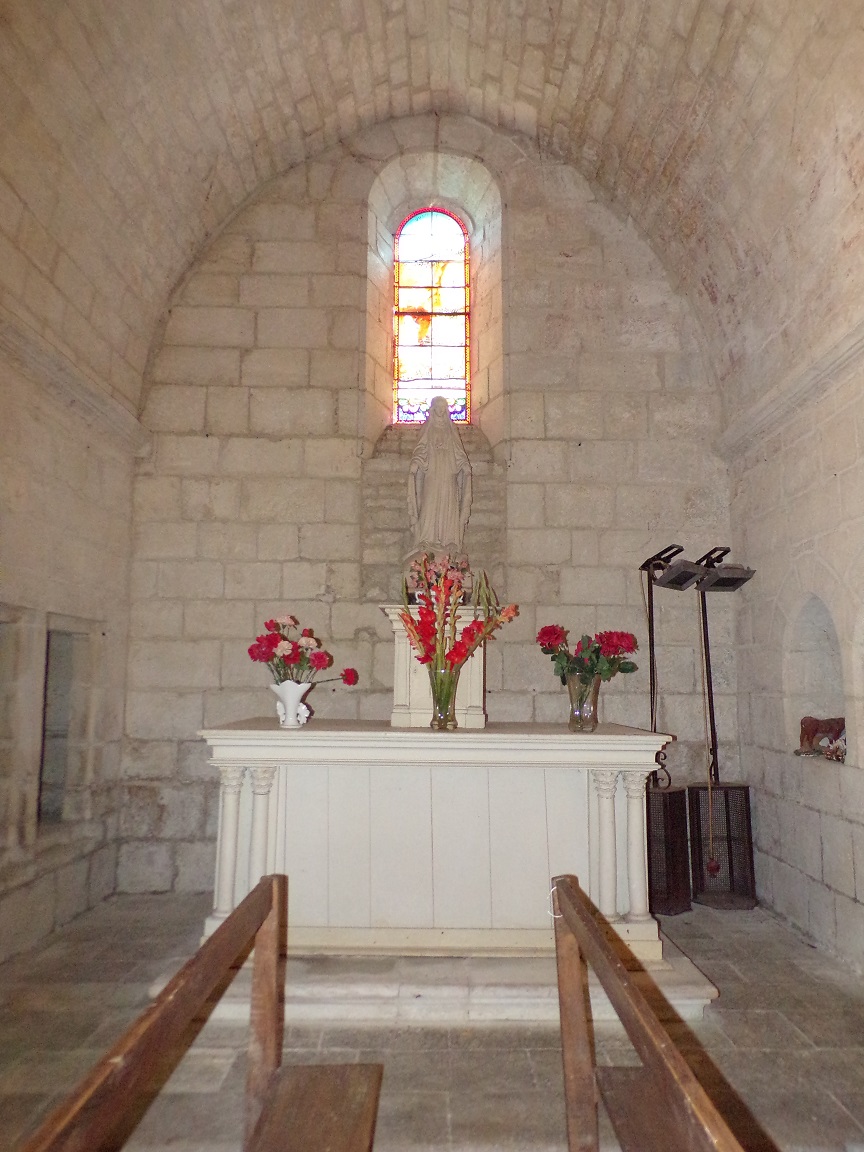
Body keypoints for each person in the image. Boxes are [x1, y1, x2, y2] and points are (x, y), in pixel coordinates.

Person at [408, 396, 472, 554]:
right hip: (433, 473)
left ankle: (449, 540)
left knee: (448, 504)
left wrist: (464, 465)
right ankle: (427, 539)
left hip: (448, 472)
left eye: (444, 407)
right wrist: (416, 462)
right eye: (439, 406)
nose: (441, 409)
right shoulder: (428, 428)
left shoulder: (451, 429)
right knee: (430, 502)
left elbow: (458, 451)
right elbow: (421, 448)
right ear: (433, 408)